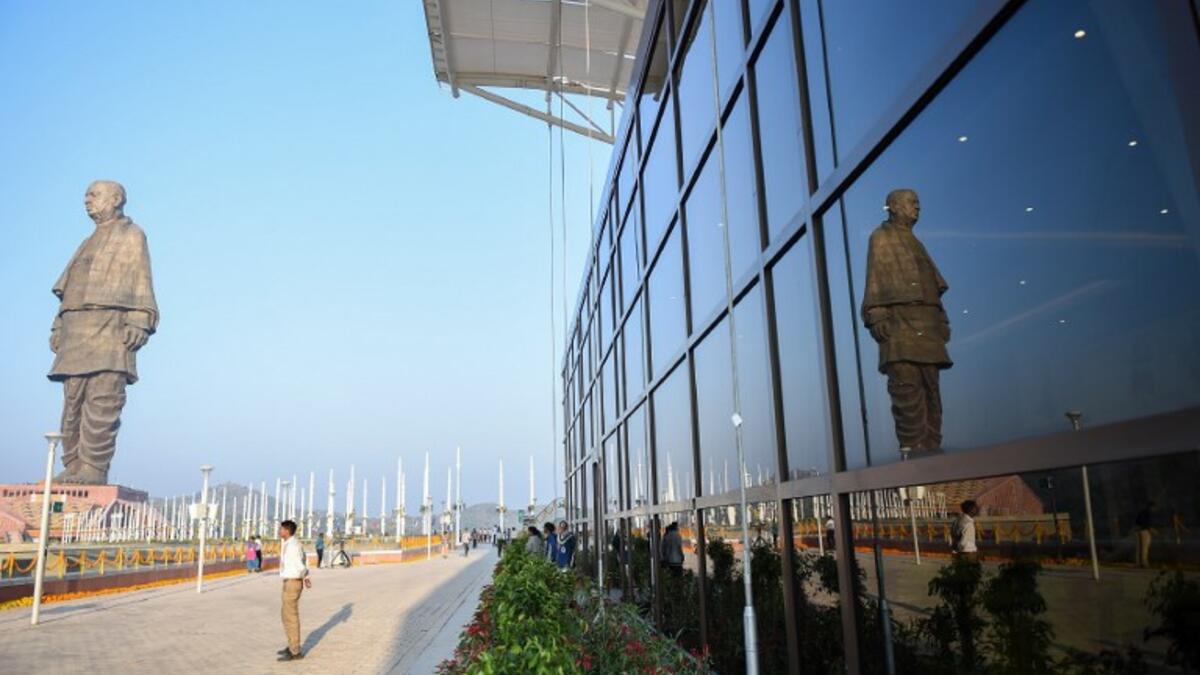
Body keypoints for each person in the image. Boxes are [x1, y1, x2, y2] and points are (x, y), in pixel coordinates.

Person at [48, 180, 158, 485]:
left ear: (116, 198)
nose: (87, 200)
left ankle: (93, 469)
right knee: (73, 403)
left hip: (110, 327)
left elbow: (141, 279)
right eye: (86, 195)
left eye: (93, 195)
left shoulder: (132, 235)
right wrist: (59, 325)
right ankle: (73, 465)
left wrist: (138, 320)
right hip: (76, 330)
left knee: (103, 399)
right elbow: (69, 289)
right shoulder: (87, 241)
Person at [861, 189, 952, 455]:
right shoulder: (881, 238)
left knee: (932, 392)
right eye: (912, 203)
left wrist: (941, 319)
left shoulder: (915, 242)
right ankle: (914, 455)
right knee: (907, 391)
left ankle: (931, 448)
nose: (917, 208)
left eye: (918, 203)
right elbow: (874, 278)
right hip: (900, 326)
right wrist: (876, 312)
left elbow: (933, 287)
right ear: (893, 206)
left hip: (927, 327)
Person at [277, 519, 311, 662]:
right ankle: (291, 644)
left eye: (281, 529)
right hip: (289, 581)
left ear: (287, 531)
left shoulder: (293, 546)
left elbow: (300, 563)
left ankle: (295, 651)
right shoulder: (289, 544)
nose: (279, 531)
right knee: (286, 615)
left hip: (293, 582)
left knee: (291, 616)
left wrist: (305, 576)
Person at [1135, 501, 1158, 568]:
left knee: (1138, 548)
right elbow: (1147, 524)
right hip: (1144, 531)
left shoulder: (1141, 511)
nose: (1155, 510)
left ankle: (1138, 563)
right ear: (1152, 507)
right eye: (1154, 508)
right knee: (1145, 547)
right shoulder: (1149, 513)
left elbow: (1137, 521)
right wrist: (1153, 531)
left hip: (1137, 530)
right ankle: (1144, 562)